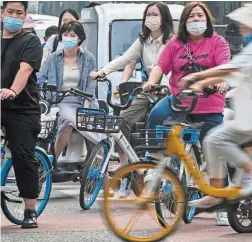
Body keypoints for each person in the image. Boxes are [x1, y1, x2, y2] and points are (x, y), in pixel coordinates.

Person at [179, 2, 252, 209]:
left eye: (245, 21)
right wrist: (201, 83)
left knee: (216, 139)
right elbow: (234, 73)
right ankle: (217, 189)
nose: (241, 25)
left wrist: (197, 76)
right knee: (214, 139)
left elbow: (230, 68)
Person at [143, 1, 231, 226]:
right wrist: (151, 83)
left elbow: (224, 69)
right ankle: (153, 166)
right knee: (155, 115)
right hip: (179, 103)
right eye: (191, 17)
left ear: (207, 19)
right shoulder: (175, 43)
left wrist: (221, 83)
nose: (195, 20)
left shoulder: (218, 42)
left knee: (215, 150)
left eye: (199, 16)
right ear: (183, 22)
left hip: (209, 107)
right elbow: (160, 67)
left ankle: (221, 202)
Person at [90, 2, 175, 198]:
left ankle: (162, 171)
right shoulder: (142, 42)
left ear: (164, 19)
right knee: (123, 121)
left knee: (162, 129)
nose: (151, 18)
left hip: (168, 91)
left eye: (155, 15)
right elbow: (124, 59)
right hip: (147, 91)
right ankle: (134, 166)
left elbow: (176, 68)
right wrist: (102, 71)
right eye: (148, 14)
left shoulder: (172, 41)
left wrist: (167, 85)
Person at [39, 21, 113, 195]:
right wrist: (47, 94)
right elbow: (40, 78)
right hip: (62, 100)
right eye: (66, 34)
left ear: (79, 39)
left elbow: (89, 86)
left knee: (94, 132)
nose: (68, 38)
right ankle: (48, 165)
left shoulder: (88, 58)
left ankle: (103, 180)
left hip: (85, 101)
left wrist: (86, 106)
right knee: (69, 121)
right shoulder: (53, 58)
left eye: (73, 35)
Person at [1, 1, 43, 228]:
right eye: (10, 12)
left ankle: (30, 209)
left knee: (23, 155)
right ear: (1, 14)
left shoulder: (31, 41)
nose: (14, 16)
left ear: (24, 16)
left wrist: (12, 91)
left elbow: (25, 69)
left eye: (19, 13)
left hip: (22, 108)